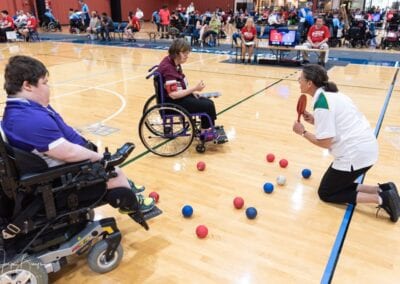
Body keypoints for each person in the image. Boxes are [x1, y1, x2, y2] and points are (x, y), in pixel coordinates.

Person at [1, 55, 155, 214]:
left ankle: (125, 183)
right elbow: (68, 153)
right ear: (27, 86)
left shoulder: (25, 109)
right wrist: (102, 159)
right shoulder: (29, 119)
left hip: (62, 163)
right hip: (65, 174)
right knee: (114, 169)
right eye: (45, 83)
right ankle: (133, 203)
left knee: (107, 162)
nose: (48, 87)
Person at [292, 64, 400, 222]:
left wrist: (302, 132)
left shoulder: (322, 103)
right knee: (338, 185)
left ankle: (382, 198)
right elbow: (337, 124)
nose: (298, 80)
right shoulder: (333, 95)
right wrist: (314, 120)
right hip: (366, 149)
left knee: (326, 193)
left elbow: (325, 143)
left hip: (354, 155)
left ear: (309, 83)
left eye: (300, 78)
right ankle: (384, 189)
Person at [157, 39, 226, 142]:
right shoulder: (168, 68)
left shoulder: (172, 62)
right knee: (208, 106)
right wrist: (194, 88)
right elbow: (173, 95)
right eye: (185, 53)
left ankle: (207, 128)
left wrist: (192, 92)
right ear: (177, 53)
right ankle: (204, 134)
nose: (187, 56)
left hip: (178, 98)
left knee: (208, 102)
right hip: (174, 102)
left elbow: (180, 84)